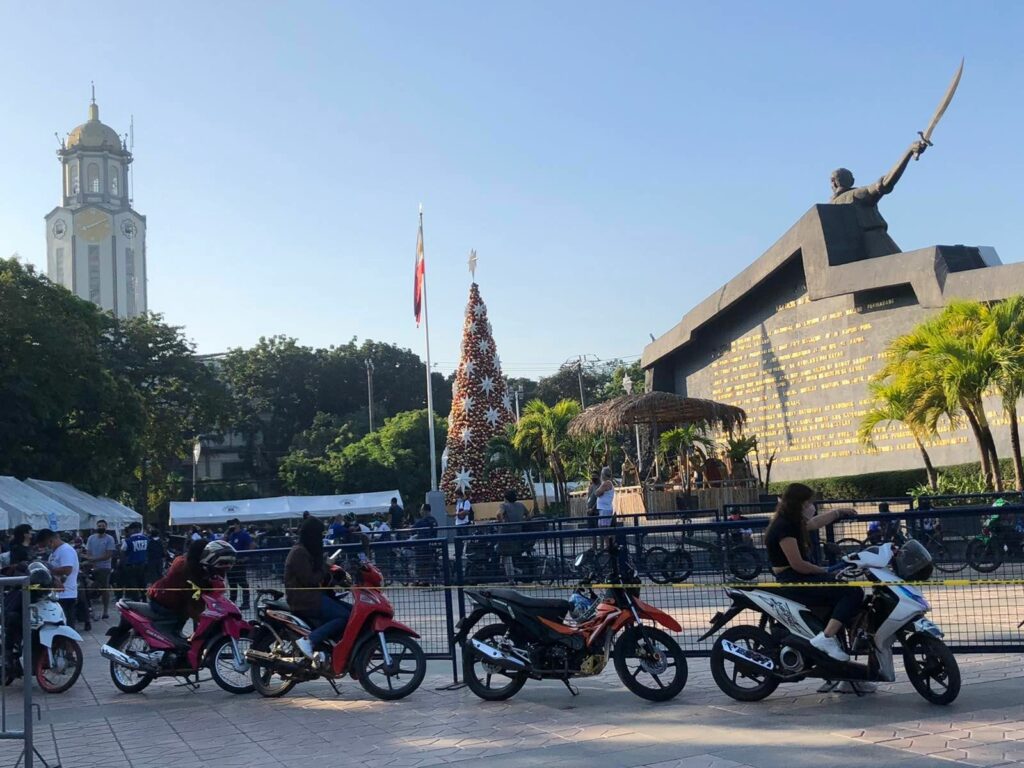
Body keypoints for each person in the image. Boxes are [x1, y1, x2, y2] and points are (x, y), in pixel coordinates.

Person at [764, 483, 860, 662]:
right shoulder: (784, 527)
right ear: (799, 503)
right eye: (808, 503)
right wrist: (823, 570)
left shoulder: (791, 522)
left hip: (799, 576)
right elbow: (798, 564)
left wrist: (839, 512)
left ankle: (842, 674)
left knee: (837, 605)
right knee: (853, 591)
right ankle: (826, 638)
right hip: (794, 579)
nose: (811, 507)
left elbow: (815, 523)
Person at [285, 517, 351, 660]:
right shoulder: (298, 553)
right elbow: (311, 579)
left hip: (315, 596)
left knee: (353, 611)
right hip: (305, 600)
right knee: (343, 616)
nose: (320, 538)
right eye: (319, 535)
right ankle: (309, 640)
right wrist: (325, 565)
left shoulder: (308, 551)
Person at [148, 539, 236, 636]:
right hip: (164, 602)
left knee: (180, 624)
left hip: (178, 602)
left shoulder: (205, 569)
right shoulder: (184, 568)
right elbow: (193, 605)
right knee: (172, 629)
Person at [37, 529, 80, 630]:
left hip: (66, 594)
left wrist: (46, 571)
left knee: (66, 626)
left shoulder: (65, 550)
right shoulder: (54, 552)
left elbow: (67, 569)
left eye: (46, 544)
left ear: (51, 540)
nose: (46, 548)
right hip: (56, 594)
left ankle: (69, 645)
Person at [84, 520, 116, 619]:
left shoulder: (109, 539)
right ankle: (88, 610)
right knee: (88, 588)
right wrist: (91, 561)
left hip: (104, 567)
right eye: (99, 526)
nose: (101, 527)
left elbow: (108, 554)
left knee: (104, 589)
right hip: (92, 566)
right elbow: (88, 552)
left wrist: (94, 559)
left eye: (103, 526)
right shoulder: (91, 538)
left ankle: (105, 611)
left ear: (106, 527)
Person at [497, 490, 526, 583]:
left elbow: (498, 514)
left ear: (505, 498)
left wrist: (502, 523)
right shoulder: (521, 505)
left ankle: (511, 579)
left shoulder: (504, 505)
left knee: (506, 556)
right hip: (519, 533)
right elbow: (528, 515)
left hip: (506, 534)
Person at [225, 518, 254, 610]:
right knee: (232, 584)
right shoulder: (230, 535)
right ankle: (232, 602)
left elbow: (252, 545)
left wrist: (246, 557)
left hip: (239, 563)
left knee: (242, 583)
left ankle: (246, 603)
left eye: (232, 524)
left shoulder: (244, 534)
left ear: (237, 524)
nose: (231, 526)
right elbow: (221, 541)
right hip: (230, 562)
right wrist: (227, 532)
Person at [120, 522, 149, 599]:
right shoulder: (147, 539)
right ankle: (144, 599)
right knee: (143, 584)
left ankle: (136, 601)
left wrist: (123, 565)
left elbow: (122, 552)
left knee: (133, 585)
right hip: (144, 565)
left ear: (132, 530)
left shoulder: (128, 541)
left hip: (132, 566)